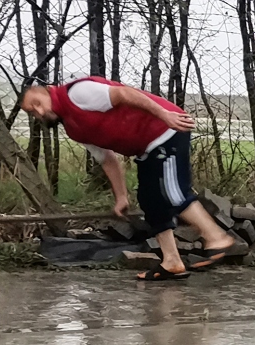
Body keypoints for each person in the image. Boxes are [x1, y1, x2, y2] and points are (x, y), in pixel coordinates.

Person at [19, 76, 235, 281]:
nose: (38, 112)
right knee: (151, 201)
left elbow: (125, 94)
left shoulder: (78, 93)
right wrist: (121, 196)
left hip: (167, 129)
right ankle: (172, 262)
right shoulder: (73, 127)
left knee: (172, 191)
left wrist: (164, 115)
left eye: (37, 103)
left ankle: (216, 237)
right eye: (32, 111)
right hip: (146, 147)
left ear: (47, 92)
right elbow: (107, 159)